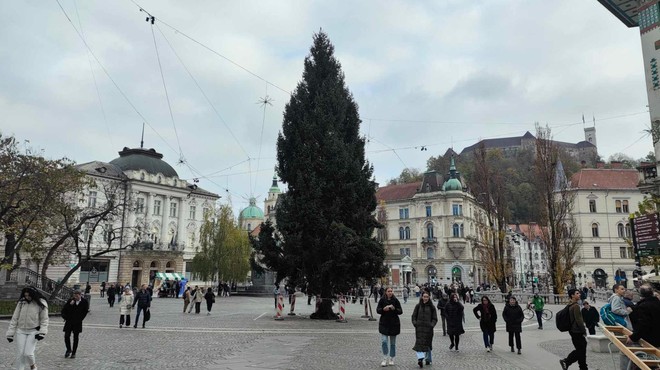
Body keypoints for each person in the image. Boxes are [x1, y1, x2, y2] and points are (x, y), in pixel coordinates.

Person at [6, 286, 49, 370]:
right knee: (20, 354)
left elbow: (44, 319)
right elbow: (15, 318)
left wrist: (42, 332)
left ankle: (33, 365)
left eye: (28, 295)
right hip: (20, 331)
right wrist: (10, 333)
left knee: (28, 353)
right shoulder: (21, 302)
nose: (27, 297)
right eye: (25, 295)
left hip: (33, 331)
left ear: (33, 294)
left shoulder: (41, 302)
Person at [559, 289, 588, 370]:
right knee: (581, 350)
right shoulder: (575, 306)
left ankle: (583, 368)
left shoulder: (569, 305)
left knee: (581, 350)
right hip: (577, 331)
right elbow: (579, 320)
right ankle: (567, 361)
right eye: (577, 293)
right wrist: (584, 331)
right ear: (572, 295)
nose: (579, 295)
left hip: (572, 330)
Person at [376, 286, 403, 367]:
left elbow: (400, 311)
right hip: (384, 323)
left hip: (394, 324)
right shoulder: (382, 300)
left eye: (391, 291)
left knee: (392, 343)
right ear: (386, 292)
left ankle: (391, 358)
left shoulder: (395, 300)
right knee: (384, 341)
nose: (390, 292)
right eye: (389, 291)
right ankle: (384, 358)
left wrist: (394, 309)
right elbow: (378, 310)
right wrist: (383, 309)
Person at [411, 291, 437, 368]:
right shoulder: (418, 306)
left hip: (428, 329)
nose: (425, 298)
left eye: (427, 297)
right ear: (422, 297)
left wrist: (431, 325)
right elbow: (413, 316)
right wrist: (415, 323)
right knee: (419, 343)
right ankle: (420, 359)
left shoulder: (432, 307)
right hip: (419, 328)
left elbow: (435, 318)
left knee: (428, 344)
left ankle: (428, 359)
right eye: (424, 296)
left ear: (429, 298)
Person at [61, 290, 88, 359]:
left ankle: (74, 352)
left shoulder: (84, 302)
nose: (75, 297)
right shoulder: (71, 301)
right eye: (74, 296)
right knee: (66, 336)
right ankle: (69, 349)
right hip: (69, 321)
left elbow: (85, 311)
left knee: (76, 337)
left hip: (78, 322)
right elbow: (64, 310)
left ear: (80, 295)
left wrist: (80, 319)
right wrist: (70, 305)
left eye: (77, 296)